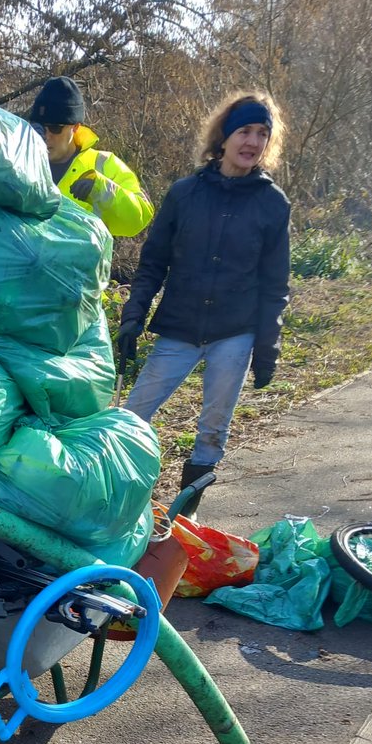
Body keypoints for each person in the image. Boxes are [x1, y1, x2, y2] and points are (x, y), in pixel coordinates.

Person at [118, 92, 290, 516]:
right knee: (133, 414)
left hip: (236, 330)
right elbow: (153, 262)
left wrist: (268, 345)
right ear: (224, 136)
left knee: (213, 427)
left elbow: (274, 282)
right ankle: (114, 491)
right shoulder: (185, 193)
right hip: (179, 326)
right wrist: (133, 317)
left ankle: (187, 512)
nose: (252, 142)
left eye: (262, 134)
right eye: (244, 131)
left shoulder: (273, 203)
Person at [29, 75, 153, 237]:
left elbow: (137, 220)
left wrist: (101, 191)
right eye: (39, 127)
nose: (47, 136)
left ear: (75, 127)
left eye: (55, 128)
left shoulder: (103, 163)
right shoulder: (22, 162)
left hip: (80, 262)